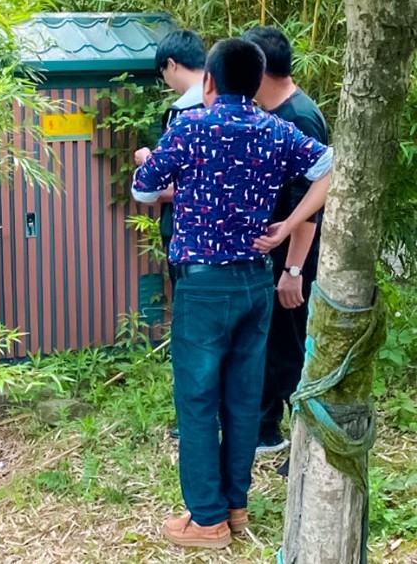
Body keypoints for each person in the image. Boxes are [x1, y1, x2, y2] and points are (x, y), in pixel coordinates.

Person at [132, 39, 333, 549]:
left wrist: (151, 160)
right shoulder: (277, 129)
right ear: (255, 80)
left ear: (210, 81)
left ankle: (207, 519)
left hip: (204, 286)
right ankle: (235, 506)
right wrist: (288, 225)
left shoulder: (191, 127)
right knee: (244, 397)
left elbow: (143, 189)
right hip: (256, 281)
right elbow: (329, 168)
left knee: (198, 399)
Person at [242, 27, 330, 474]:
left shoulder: (300, 117)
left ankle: (306, 445)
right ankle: (270, 430)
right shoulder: (274, 113)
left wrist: (293, 270)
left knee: (293, 350)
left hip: (295, 255)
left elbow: (311, 203)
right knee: (275, 345)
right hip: (275, 252)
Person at [135, 29, 206, 440]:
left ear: (172, 65)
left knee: (191, 330)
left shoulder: (184, 114)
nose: (166, 83)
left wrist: (149, 164)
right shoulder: (239, 106)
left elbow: (169, 187)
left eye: (163, 74)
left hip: (187, 237)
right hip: (229, 249)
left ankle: (194, 419)